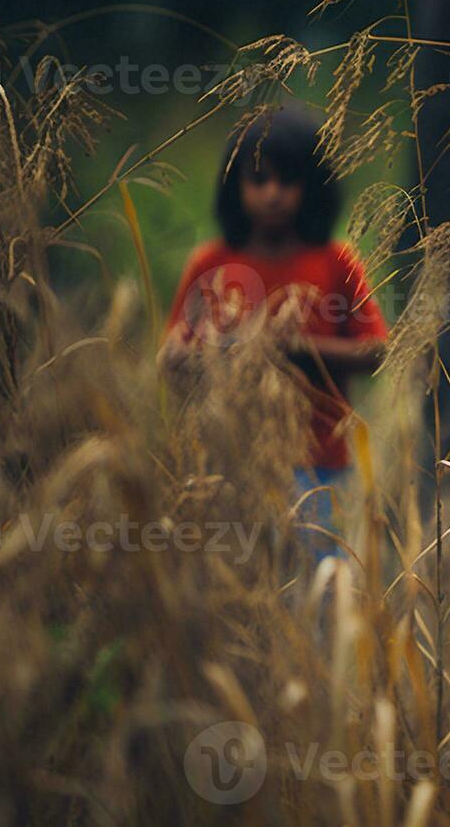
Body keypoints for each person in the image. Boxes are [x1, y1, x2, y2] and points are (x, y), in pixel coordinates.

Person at [161, 105, 388, 564]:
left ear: (313, 187)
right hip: (227, 461)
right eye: (258, 179)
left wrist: (295, 349)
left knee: (313, 592)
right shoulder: (211, 264)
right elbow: (171, 358)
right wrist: (225, 353)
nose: (272, 194)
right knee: (236, 587)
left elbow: (377, 350)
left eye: (287, 181)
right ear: (235, 185)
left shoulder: (334, 262)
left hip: (317, 465)